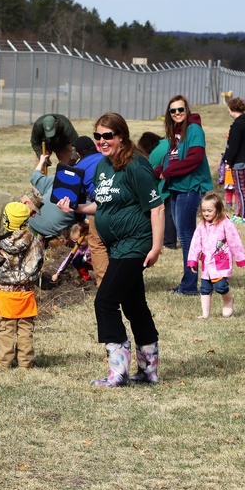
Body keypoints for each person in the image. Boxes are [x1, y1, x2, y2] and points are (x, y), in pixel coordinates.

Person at [58, 113, 164, 387]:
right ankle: (148, 371)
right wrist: (77, 207)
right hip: (116, 245)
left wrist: (156, 247)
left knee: (104, 301)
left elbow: (157, 207)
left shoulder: (136, 165)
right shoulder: (103, 166)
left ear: (121, 136)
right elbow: (102, 204)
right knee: (134, 304)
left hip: (135, 244)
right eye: (98, 136)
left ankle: (118, 372)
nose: (102, 141)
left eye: (108, 136)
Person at [156, 95, 213, 296]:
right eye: (173, 111)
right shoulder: (176, 134)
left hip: (191, 188)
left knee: (187, 237)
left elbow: (194, 158)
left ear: (186, 110)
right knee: (185, 236)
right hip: (178, 188)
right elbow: (170, 161)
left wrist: (168, 172)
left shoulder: (193, 129)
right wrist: (155, 171)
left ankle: (189, 285)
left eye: (181, 109)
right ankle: (188, 282)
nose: (177, 113)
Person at [0, 202, 44, 369]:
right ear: (26, 221)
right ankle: (25, 363)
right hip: (26, 293)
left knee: (5, 330)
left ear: (6, 220)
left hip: (6, 293)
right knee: (25, 329)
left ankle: (4, 362)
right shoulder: (35, 243)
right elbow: (39, 264)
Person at [186, 193, 245, 319]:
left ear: (218, 210)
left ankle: (228, 299)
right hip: (206, 264)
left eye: (209, 210)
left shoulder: (226, 224)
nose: (206, 213)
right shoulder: (201, 226)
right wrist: (192, 260)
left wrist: (240, 258)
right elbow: (195, 243)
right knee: (205, 288)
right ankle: (205, 314)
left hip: (220, 262)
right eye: (204, 210)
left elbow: (235, 241)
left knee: (220, 286)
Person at [69, 135, 107, 285]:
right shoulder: (106, 157)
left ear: (78, 154)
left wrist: (79, 222)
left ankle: (104, 285)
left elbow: (76, 199)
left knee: (97, 244)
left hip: (101, 206)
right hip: (121, 204)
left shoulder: (78, 168)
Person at [138, 131, 177, 250]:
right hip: (177, 181)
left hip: (167, 184)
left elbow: (151, 175)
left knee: (167, 214)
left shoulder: (155, 154)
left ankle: (169, 241)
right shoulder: (167, 142)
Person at [223, 97, 245, 223]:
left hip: (239, 161)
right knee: (239, 188)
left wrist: (228, 162)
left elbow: (233, 146)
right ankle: (238, 213)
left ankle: (242, 215)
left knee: (240, 189)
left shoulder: (237, 125)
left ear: (233, 109)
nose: (229, 114)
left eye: (229, 111)